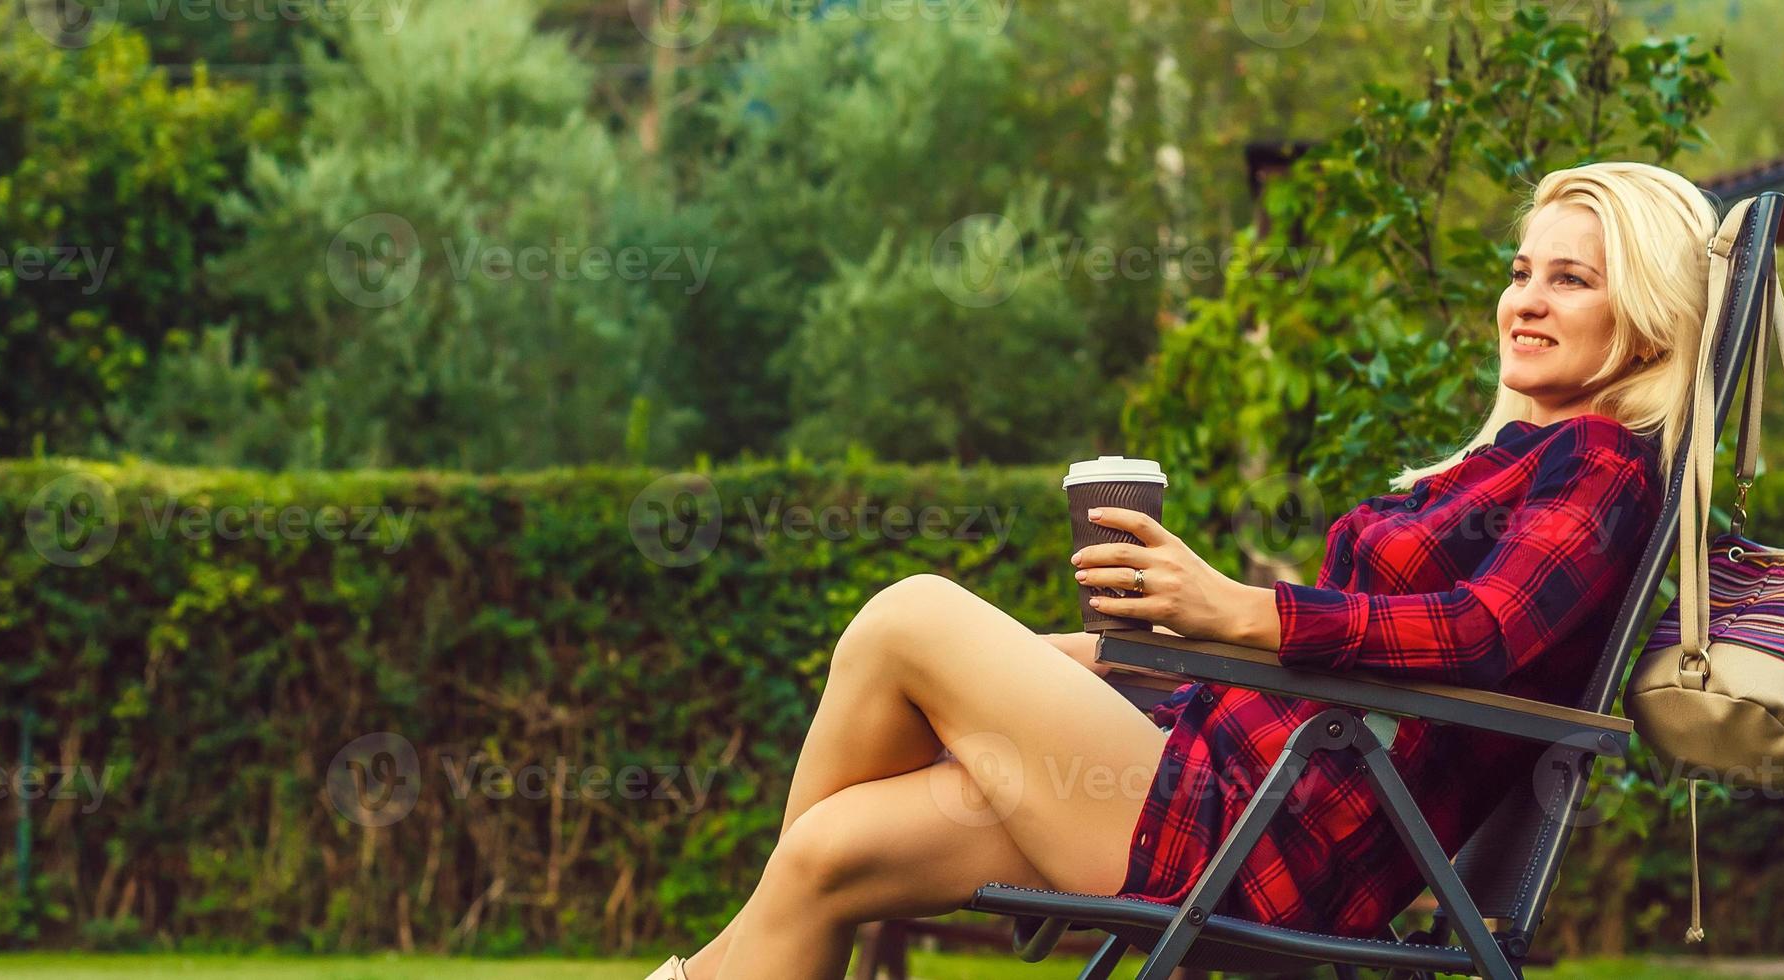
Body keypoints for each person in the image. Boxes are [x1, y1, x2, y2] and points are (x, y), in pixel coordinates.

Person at [646, 161, 1714, 979]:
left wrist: (1240, 609)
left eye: (1571, 279)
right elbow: (1389, 661)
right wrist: (1111, 655)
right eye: (1522, 269)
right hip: (1211, 774)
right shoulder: (1514, 461)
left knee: (908, 614)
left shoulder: (1601, 465)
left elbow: (1479, 633)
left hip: (1262, 836)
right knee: (827, 849)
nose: (1524, 300)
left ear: (1649, 309)